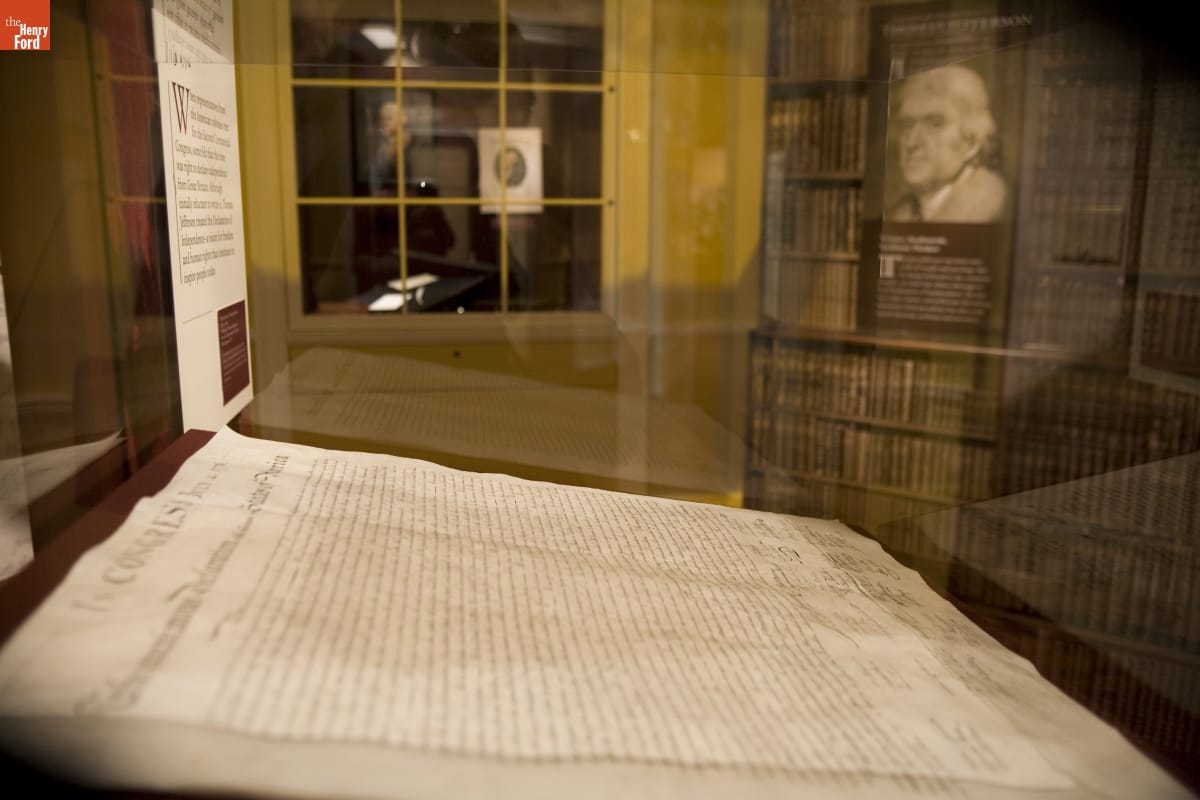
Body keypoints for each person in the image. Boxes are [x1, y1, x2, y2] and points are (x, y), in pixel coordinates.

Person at [886, 64, 1009, 223]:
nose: (911, 143)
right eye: (907, 125)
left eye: (935, 124)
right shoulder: (899, 214)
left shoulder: (997, 213)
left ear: (971, 144)